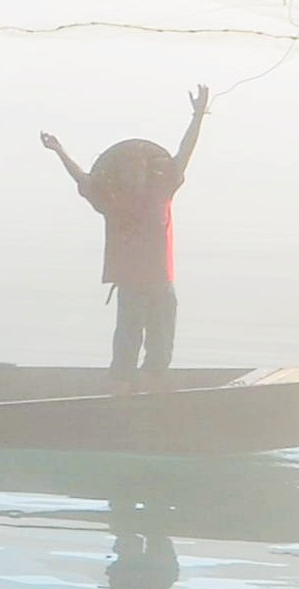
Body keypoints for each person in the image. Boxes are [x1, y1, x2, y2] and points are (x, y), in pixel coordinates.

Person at [40, 87, 208, 380]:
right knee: (126, 347)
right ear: (120, 175)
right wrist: (59, 150)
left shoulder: (162, 189)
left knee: (161, 347)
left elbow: (185, 153)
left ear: (147, 173)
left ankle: (153, 389)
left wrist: (197, 116)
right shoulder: (111, 200)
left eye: (138, 172)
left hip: (161, 282)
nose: (133, 177)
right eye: (128, 173)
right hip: (131, 285)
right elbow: (82, 178)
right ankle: (121, 391)